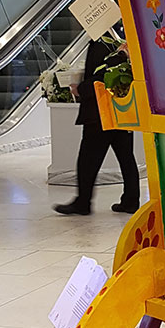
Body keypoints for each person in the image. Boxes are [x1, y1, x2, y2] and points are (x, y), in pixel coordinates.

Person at [54, 37, 140, 217]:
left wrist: (81, 89)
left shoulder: (103, 43)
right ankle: (131, 200)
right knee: (126, 156)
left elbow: (102, 75)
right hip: (119, 107)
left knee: (88, 159)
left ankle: (83, 202)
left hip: (99, 111)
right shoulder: (119, 39)